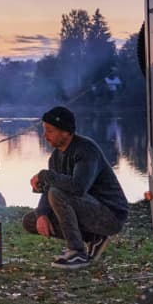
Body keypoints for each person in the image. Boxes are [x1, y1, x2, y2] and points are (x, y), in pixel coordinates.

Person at [22, 106, 128, 269]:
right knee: (31, 221)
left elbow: (78, 187)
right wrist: (42, 214)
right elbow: (50, 187)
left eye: (49, 131)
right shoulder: (55, 157)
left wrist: (45, 175)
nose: (45, 136)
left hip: (110, 215)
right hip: (86, 210)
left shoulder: (86, 150)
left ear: (65, 132)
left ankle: (77, 252)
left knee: (58, 194)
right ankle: (94, 238)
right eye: (44, 130)